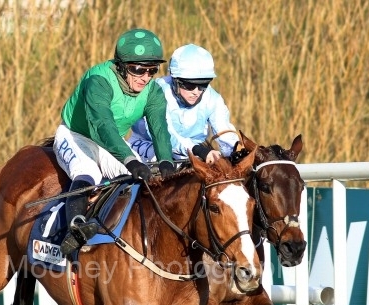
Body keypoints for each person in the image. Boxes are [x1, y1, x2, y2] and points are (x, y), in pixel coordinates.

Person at [54, 28, 176, 256]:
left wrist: (167, 162)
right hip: (76, 135)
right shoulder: (98, 80)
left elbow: (160, 129)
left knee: (138, 178)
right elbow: (103, 126)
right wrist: (130, 160)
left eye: (152, 70)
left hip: (112, 141)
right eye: (138, 69)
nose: (146, 77)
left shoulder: (153, 91)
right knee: (87, 173)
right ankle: (75, 229)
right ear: (121, 65)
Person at [127, 44, 248, 166]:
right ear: (175, 80)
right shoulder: (157, 92)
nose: (196, 91)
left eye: (203, 84)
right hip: (149, 145)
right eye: (190, 85)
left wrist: (237, 149)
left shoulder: (213, 98)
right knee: (165, 157)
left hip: (196, 153)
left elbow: (223, 129)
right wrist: (198, 150)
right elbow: (164, 135)